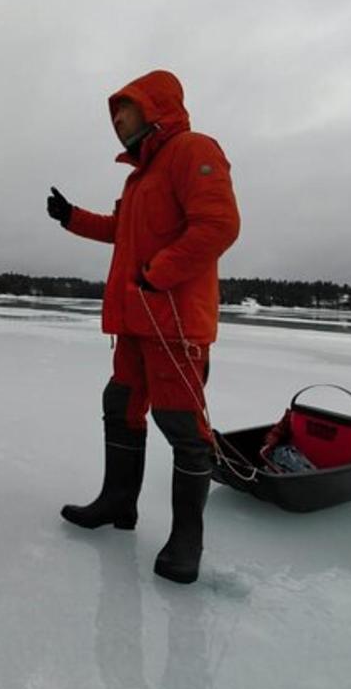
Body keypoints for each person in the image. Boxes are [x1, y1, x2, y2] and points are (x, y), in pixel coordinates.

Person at [47, 70, 240, 583]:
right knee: (120, 406)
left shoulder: (192, 150)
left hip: (174, 323)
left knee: (182, 427)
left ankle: (187, 540)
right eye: (112, 113)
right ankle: (118, 503)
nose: (115, 120)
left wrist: (159, 275)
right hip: (135, 322)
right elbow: (121, 232)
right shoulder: (138, 178)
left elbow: (219, 225)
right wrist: (71, 217)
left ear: (153, 107)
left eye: (124, 109)